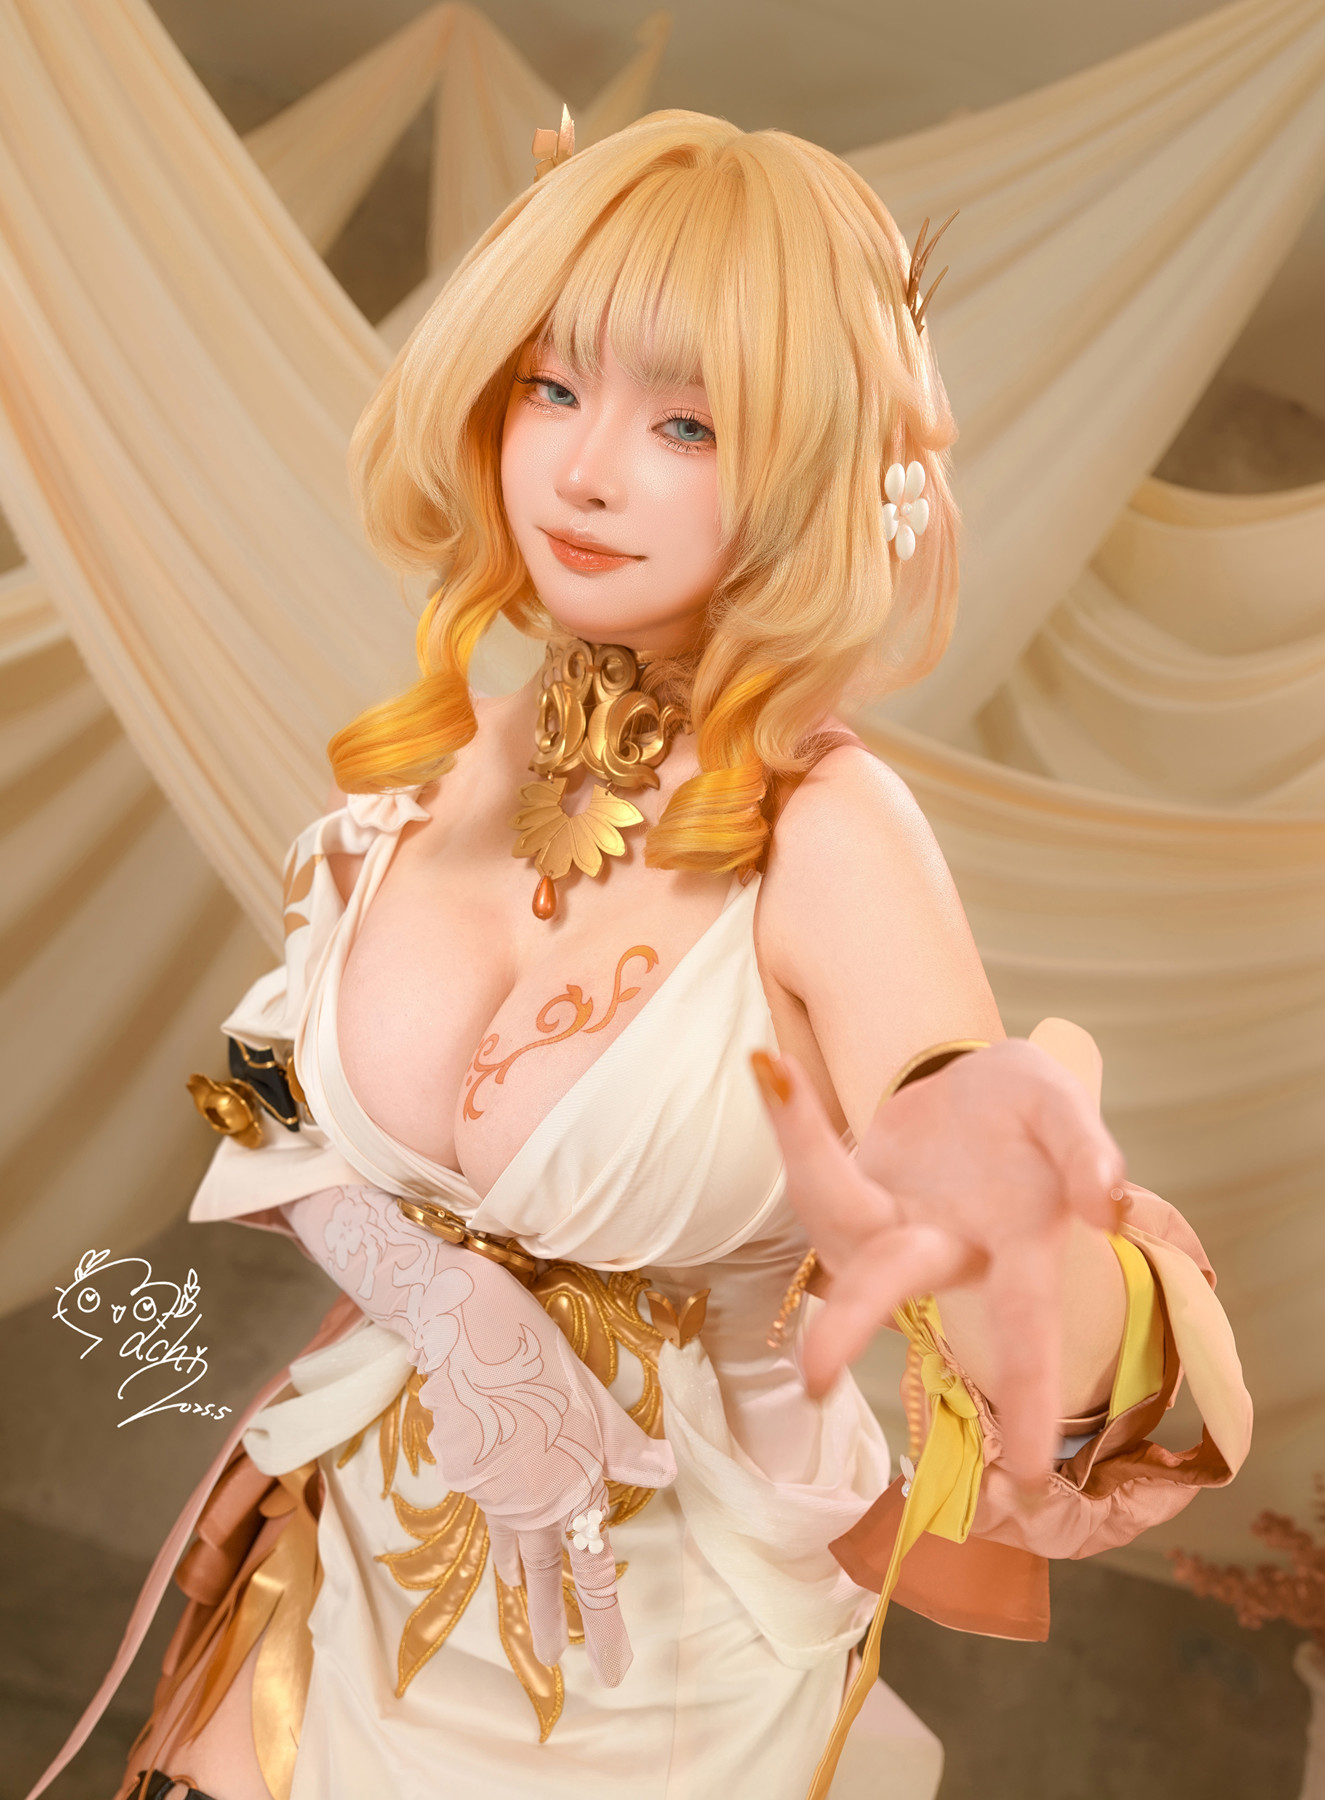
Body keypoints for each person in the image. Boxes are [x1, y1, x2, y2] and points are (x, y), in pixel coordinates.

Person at [36, 110, 1248, 1800]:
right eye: (550, 387)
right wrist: (448, 1305)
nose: (584, 472)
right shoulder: (436, 764)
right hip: (330, 1578)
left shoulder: (833, 831)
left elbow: (1015, 1282)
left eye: (687, 421)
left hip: (657, 1683)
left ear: (815, 467)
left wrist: (1020, 1248)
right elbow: (267, 1095)